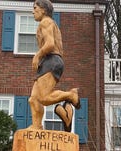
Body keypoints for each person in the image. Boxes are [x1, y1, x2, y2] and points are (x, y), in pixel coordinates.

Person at [28, 0, 80, 131]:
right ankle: (37, 126)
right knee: (34, 99)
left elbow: (50, 44)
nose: (32, 11)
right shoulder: (49, 23)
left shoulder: (45, 22)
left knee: (44, 98)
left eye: (35, 8)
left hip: (51, 60)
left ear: (44, 10)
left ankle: (71, 95)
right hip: (48, 61)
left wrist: (37, 55)